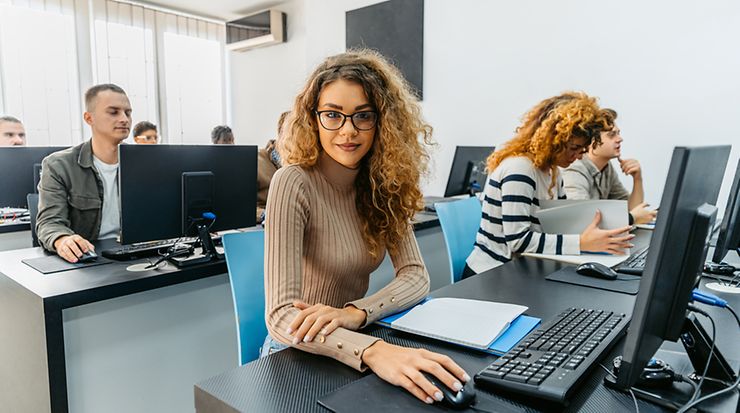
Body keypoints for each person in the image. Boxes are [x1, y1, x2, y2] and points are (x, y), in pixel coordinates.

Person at [264, 50, 469, 405]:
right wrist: (373, 350)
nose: (348, 131)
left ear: (382, 121)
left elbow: (416, 275)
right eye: (333, 115)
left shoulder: (384, 185)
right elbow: (281, 317)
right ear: (313, 119)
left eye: (363, 116)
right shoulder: (292, 182)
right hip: (295, 353)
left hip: (353, 333)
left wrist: (356, 313)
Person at [464, 92, 634, 277]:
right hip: (492, 274)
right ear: (553, 140)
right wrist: (581, 243)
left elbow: (558, 227)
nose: (578, 156)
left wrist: (590, 239)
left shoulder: (553, 171)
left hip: (523, 267)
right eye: (574, 148)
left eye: (582, 150)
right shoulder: (520, 169)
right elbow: (517, 241)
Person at [36, 84, 132, 263]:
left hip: (134, 254)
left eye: (128, 112)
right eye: (113, 112)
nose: (124, 119)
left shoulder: (143, 163)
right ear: (89, 118)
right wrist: (62, 239)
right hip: (88, 258)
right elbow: (49, 223)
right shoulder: (58, 165)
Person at [562, 109, 656, 225]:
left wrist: (637, 179)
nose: (620, 139)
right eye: (612, 135)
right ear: (591, 141)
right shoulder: (574, 170)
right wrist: (631, 218)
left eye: (618, 133)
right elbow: (582, 220)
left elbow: (631, 210)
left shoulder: (607, 168)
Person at [256, 111, 289, 222]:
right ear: (281, 134)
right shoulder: (257, 161)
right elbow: (239, 206)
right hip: (263, 227)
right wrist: (267, 215)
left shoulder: (306, 165)